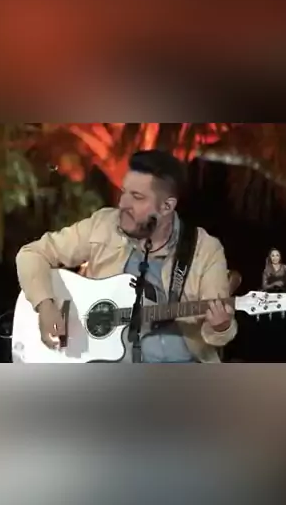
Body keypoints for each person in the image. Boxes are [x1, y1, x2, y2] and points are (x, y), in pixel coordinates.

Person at [15, 149, 237, 363]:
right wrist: (45, 306)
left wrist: (221, 326)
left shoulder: (205, 250)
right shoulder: (103, 225)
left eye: (137, 197)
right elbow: (32, 253)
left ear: (167, 206)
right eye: (124, 192)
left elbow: (218, 333)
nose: (122, 204)